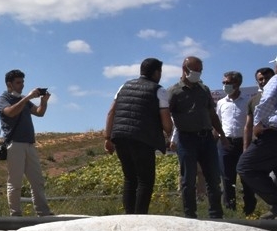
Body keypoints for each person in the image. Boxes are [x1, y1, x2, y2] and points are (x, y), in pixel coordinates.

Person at [103, 58, 173, 214]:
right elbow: (166, 122)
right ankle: (140, 217)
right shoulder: (159, 90)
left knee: (129, 178)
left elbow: (111, 112)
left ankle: (129, 216)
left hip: (120, 137)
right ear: (156, 73)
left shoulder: (123, 86)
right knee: (145, 180)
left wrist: (107, 138)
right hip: (142, 139)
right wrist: (169, 132)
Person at [166, 56, 227, 219]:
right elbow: (165, 115)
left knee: (213, 179)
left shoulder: (204, 89)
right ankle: (190, 216)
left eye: (200, 71)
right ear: (184, 70)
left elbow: (212, 114)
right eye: (195, 71)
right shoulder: (173, 91)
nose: (198, 74)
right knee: (188, 180)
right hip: (186, 140)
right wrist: (166, 135)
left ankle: (216, 215)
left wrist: (221, 134)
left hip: (207, 139)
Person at [0, 69, 53, 217]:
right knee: (15, 183)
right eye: (18, 82)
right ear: (9, 84)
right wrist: (27, 98)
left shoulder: (24, 99)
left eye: (23, 82)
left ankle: (43, 212)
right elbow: (10, 112)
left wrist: (43, 101)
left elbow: (39, 113)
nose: (22, 85)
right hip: (15, 144)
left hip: (29, 144)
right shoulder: (3, 99)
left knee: (37, 181)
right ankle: (15, 215)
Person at [238, 57, 277, 219]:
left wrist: (258, 123)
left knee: (246, 167)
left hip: (272, 133)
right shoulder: (252, 100)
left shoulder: (275, 80)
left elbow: (267, 101)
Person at [216, 70, 255, 214]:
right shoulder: (221, 103)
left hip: (244, 144)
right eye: (224, 82)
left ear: (237, 84)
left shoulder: (248, 101)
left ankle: (249, 209)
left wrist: (249, 145)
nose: (225, 85)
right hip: (225, 143)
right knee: (226, 178)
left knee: (246, 177)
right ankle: (230, 209)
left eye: (228, 83)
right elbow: (218, 124)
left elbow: (251, 124)